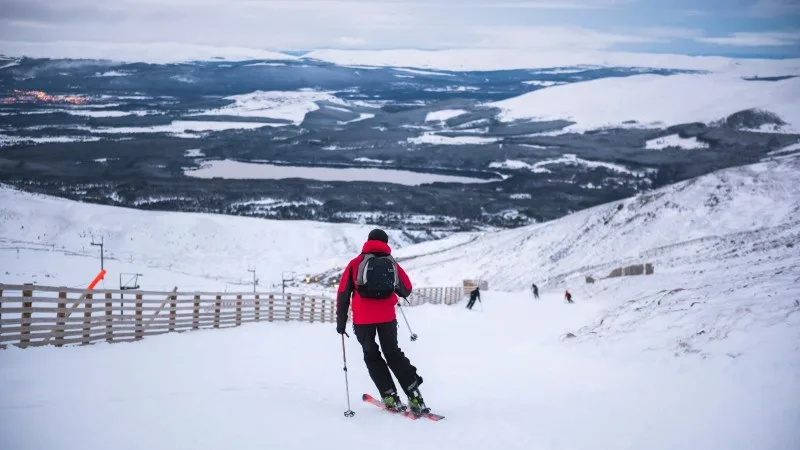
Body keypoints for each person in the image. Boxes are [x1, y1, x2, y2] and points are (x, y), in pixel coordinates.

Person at [336, 228, 427, 413]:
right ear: (385, 243)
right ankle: (415, 395)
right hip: (387, 318)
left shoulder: (355, 263)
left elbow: (343, 293)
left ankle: (389, 396)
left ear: (368, 241)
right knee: (393, 353)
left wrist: (341, 322)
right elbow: (406, 288)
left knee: (372, 356)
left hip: (363, 320)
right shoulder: (391, 263)